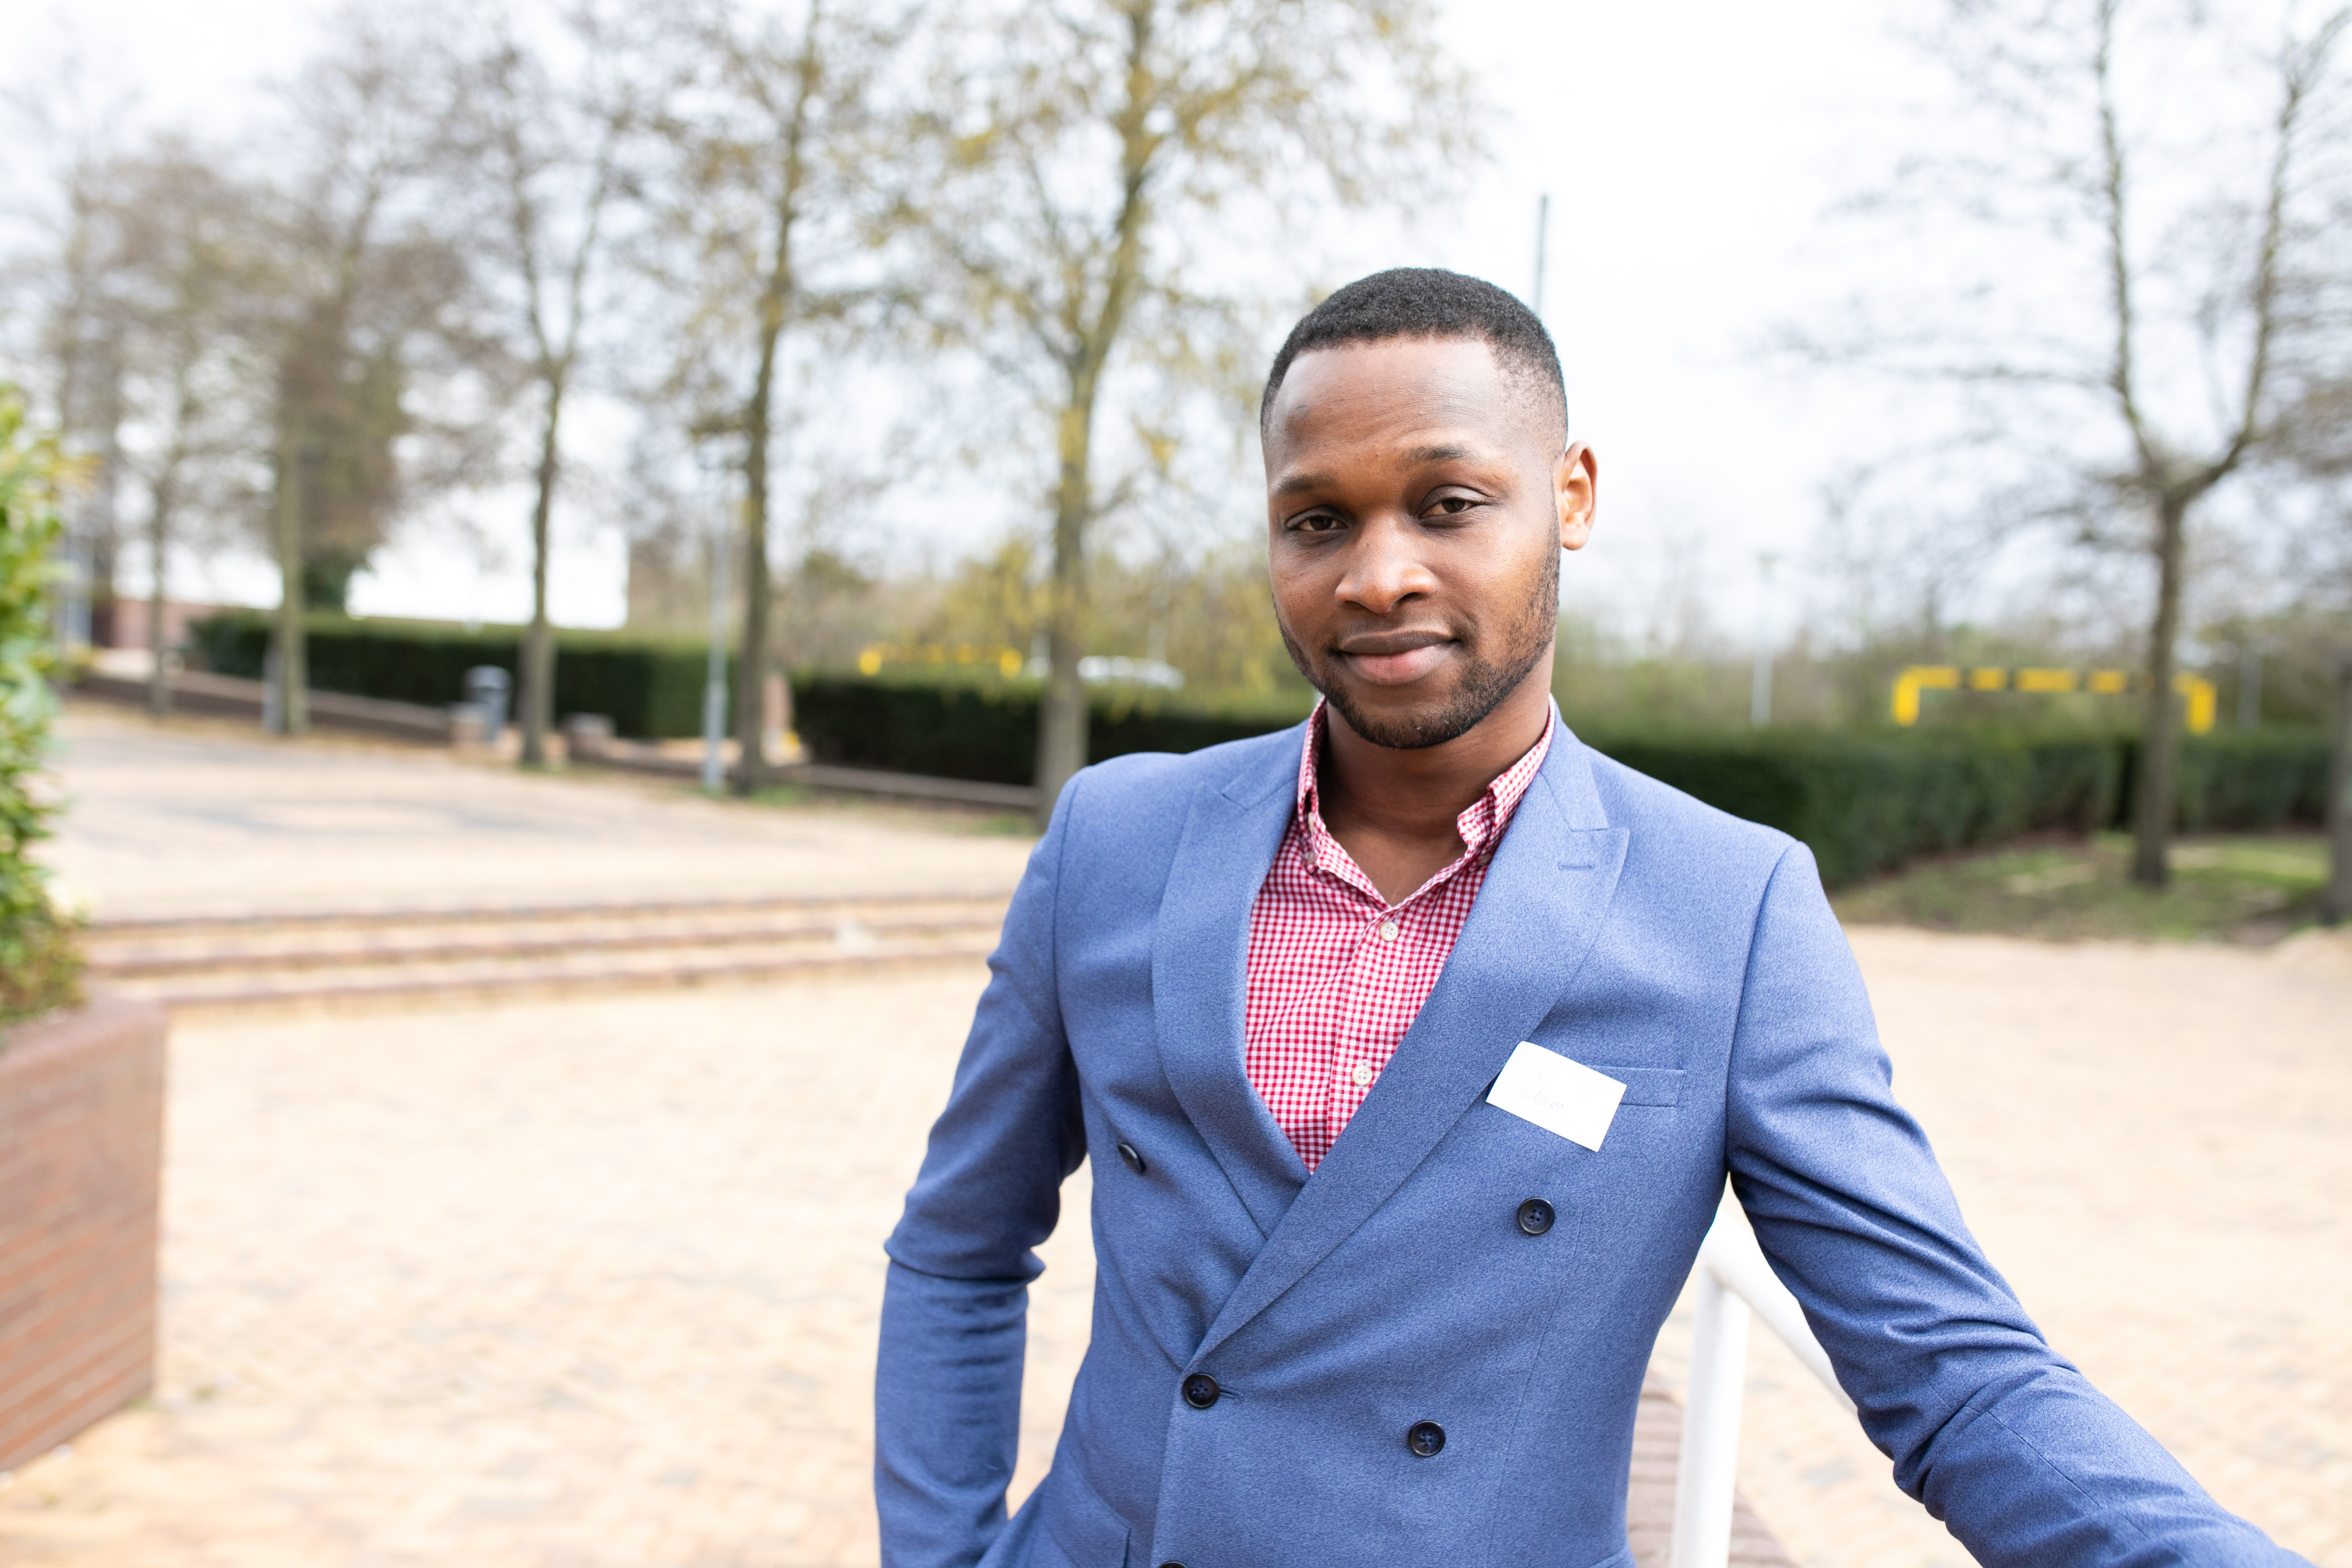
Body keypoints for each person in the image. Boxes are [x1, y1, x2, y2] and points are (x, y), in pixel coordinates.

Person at [873, 268, 2301, 1568]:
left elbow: (1952, 1372)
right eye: (1319, 519)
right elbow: (960, 1243)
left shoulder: (1728, 912)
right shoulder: (1115, 839)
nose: (1376, 575)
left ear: (1571, 497)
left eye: (1446, 503)